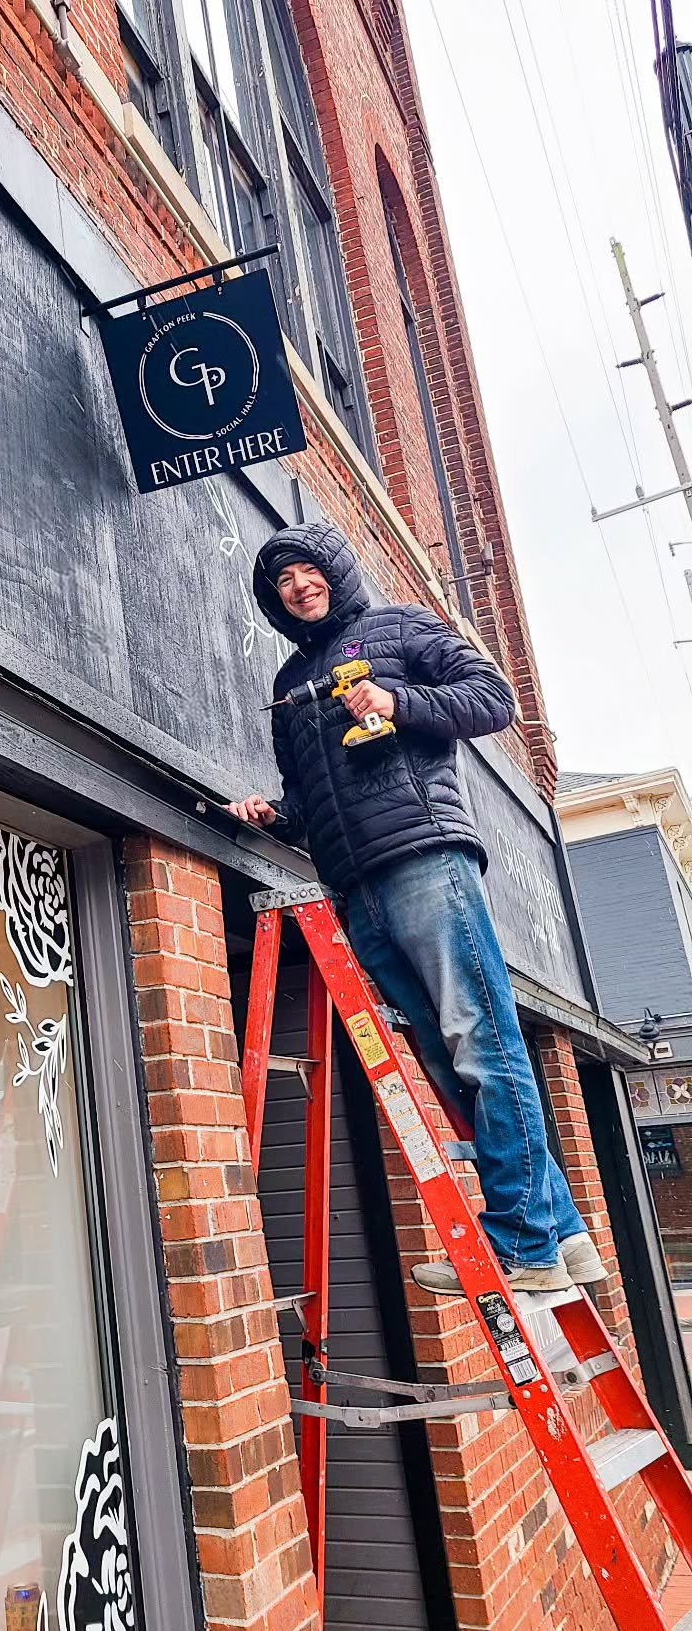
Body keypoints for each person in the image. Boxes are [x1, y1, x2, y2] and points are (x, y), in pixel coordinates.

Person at [228, 519, 604, 1296]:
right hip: (353, 882)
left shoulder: (397, 626)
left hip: (427, 857)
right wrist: (276, 815)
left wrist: (396, 700)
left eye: (308, 571)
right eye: (282, 582)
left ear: (335, 569)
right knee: (445, 1054)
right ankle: (565, 1239)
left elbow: (492, 700)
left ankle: (525, 1247)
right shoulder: (287, 685)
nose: (298, 587)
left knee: (482, 1039)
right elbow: (309, 797)